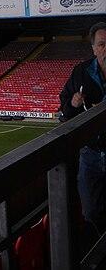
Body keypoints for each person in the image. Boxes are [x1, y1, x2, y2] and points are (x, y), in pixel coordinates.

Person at [62, 22, 106, 232]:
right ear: (94, 48)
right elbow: (65, 108)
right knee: (90, 211)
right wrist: (73, 102)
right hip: (91, 154)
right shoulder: (80, 72)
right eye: (102, 44)